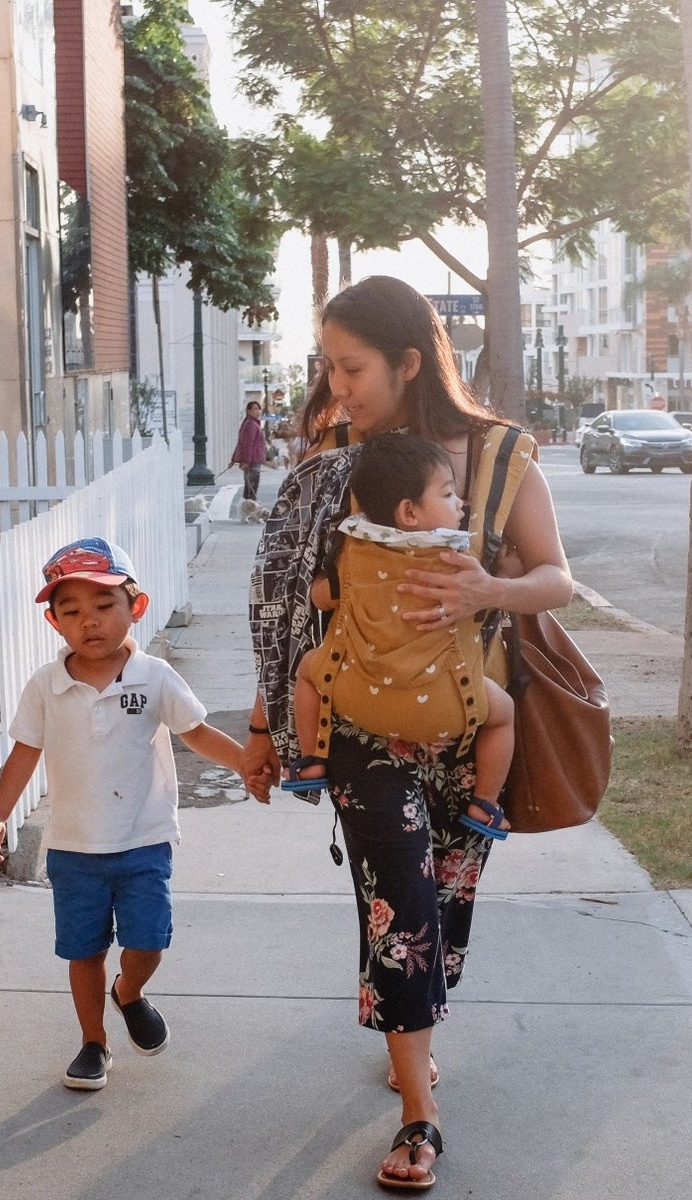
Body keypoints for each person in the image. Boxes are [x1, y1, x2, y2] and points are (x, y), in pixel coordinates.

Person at [243, 276, 573, 1191]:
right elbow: (287, 600)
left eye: (351, 367)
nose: (336, 385)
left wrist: (491, 590)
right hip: (361, 732)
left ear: (410, 362)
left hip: (474, 735)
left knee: (442, 916)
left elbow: (556, 578)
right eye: (329, 366)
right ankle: (420, 1117)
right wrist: (271, 718)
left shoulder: (502, 458)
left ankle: (410, 1028)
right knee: (401, 907)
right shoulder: (338, 456)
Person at [0, 536, 247, 1092]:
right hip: (74, 847)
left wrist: (248, 765)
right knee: (83, 950)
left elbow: (196, 732)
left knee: (148, 941)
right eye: (71, 611)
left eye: (104, 606)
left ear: (135, 607)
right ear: (54, 623)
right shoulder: (46, 687)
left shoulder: (154, 677)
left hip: (144, 838)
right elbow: (25, 752)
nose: (89, 622)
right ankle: (93, 1042)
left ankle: (130, 991)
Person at [281, 434, 515, 846]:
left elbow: (319, 596)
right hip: (446, 708)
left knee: (307, 674)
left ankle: (312, 760)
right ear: (408, 512)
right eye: (448, 494)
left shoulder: (353, 555)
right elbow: (483, 609)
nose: (460, 503)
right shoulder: (459, 564)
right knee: (504, 714)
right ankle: (485, 804)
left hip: (359, 700)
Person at [230, 399, 267, 510]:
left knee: (249, 487)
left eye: (258, 409)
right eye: (254, 409)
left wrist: (234, 459)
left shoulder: (250, 424)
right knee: (252, 488)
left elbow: (241, 443)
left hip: (252, 460)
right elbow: (247, 444)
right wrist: (245, 461)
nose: (257, 411)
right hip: (252, 461)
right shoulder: (251, 425)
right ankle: (250, 512)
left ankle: (246, 511)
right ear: (248, 411)